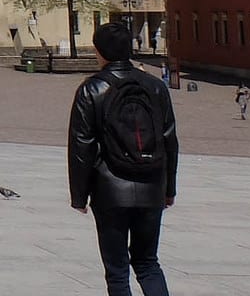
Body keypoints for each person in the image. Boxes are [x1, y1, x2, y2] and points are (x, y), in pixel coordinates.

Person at [68, 21, 177, 296]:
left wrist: (79, 196)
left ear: (99, 51)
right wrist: (169, 188)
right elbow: (169, 139)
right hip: (152, 184)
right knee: (148, 263)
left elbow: (82, 146)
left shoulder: (91, 89)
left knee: (117, 271)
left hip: (110, 190)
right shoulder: (155, 87)